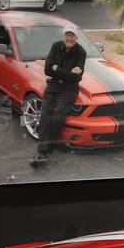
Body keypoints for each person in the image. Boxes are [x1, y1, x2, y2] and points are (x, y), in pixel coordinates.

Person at [30, 24, 86, 166]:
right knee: (45, 116)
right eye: (67, 35)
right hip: (53, 87)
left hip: (69, 90)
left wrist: (57, 68)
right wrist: (66, 72)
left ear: (76, 38)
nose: (69, 38)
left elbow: (76, 78)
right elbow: (48, 70)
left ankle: (48, 149)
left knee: (57, 117)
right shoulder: (56, 46)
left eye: (72, 35)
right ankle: (41, 152)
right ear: (63, 36)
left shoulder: (81, 52)